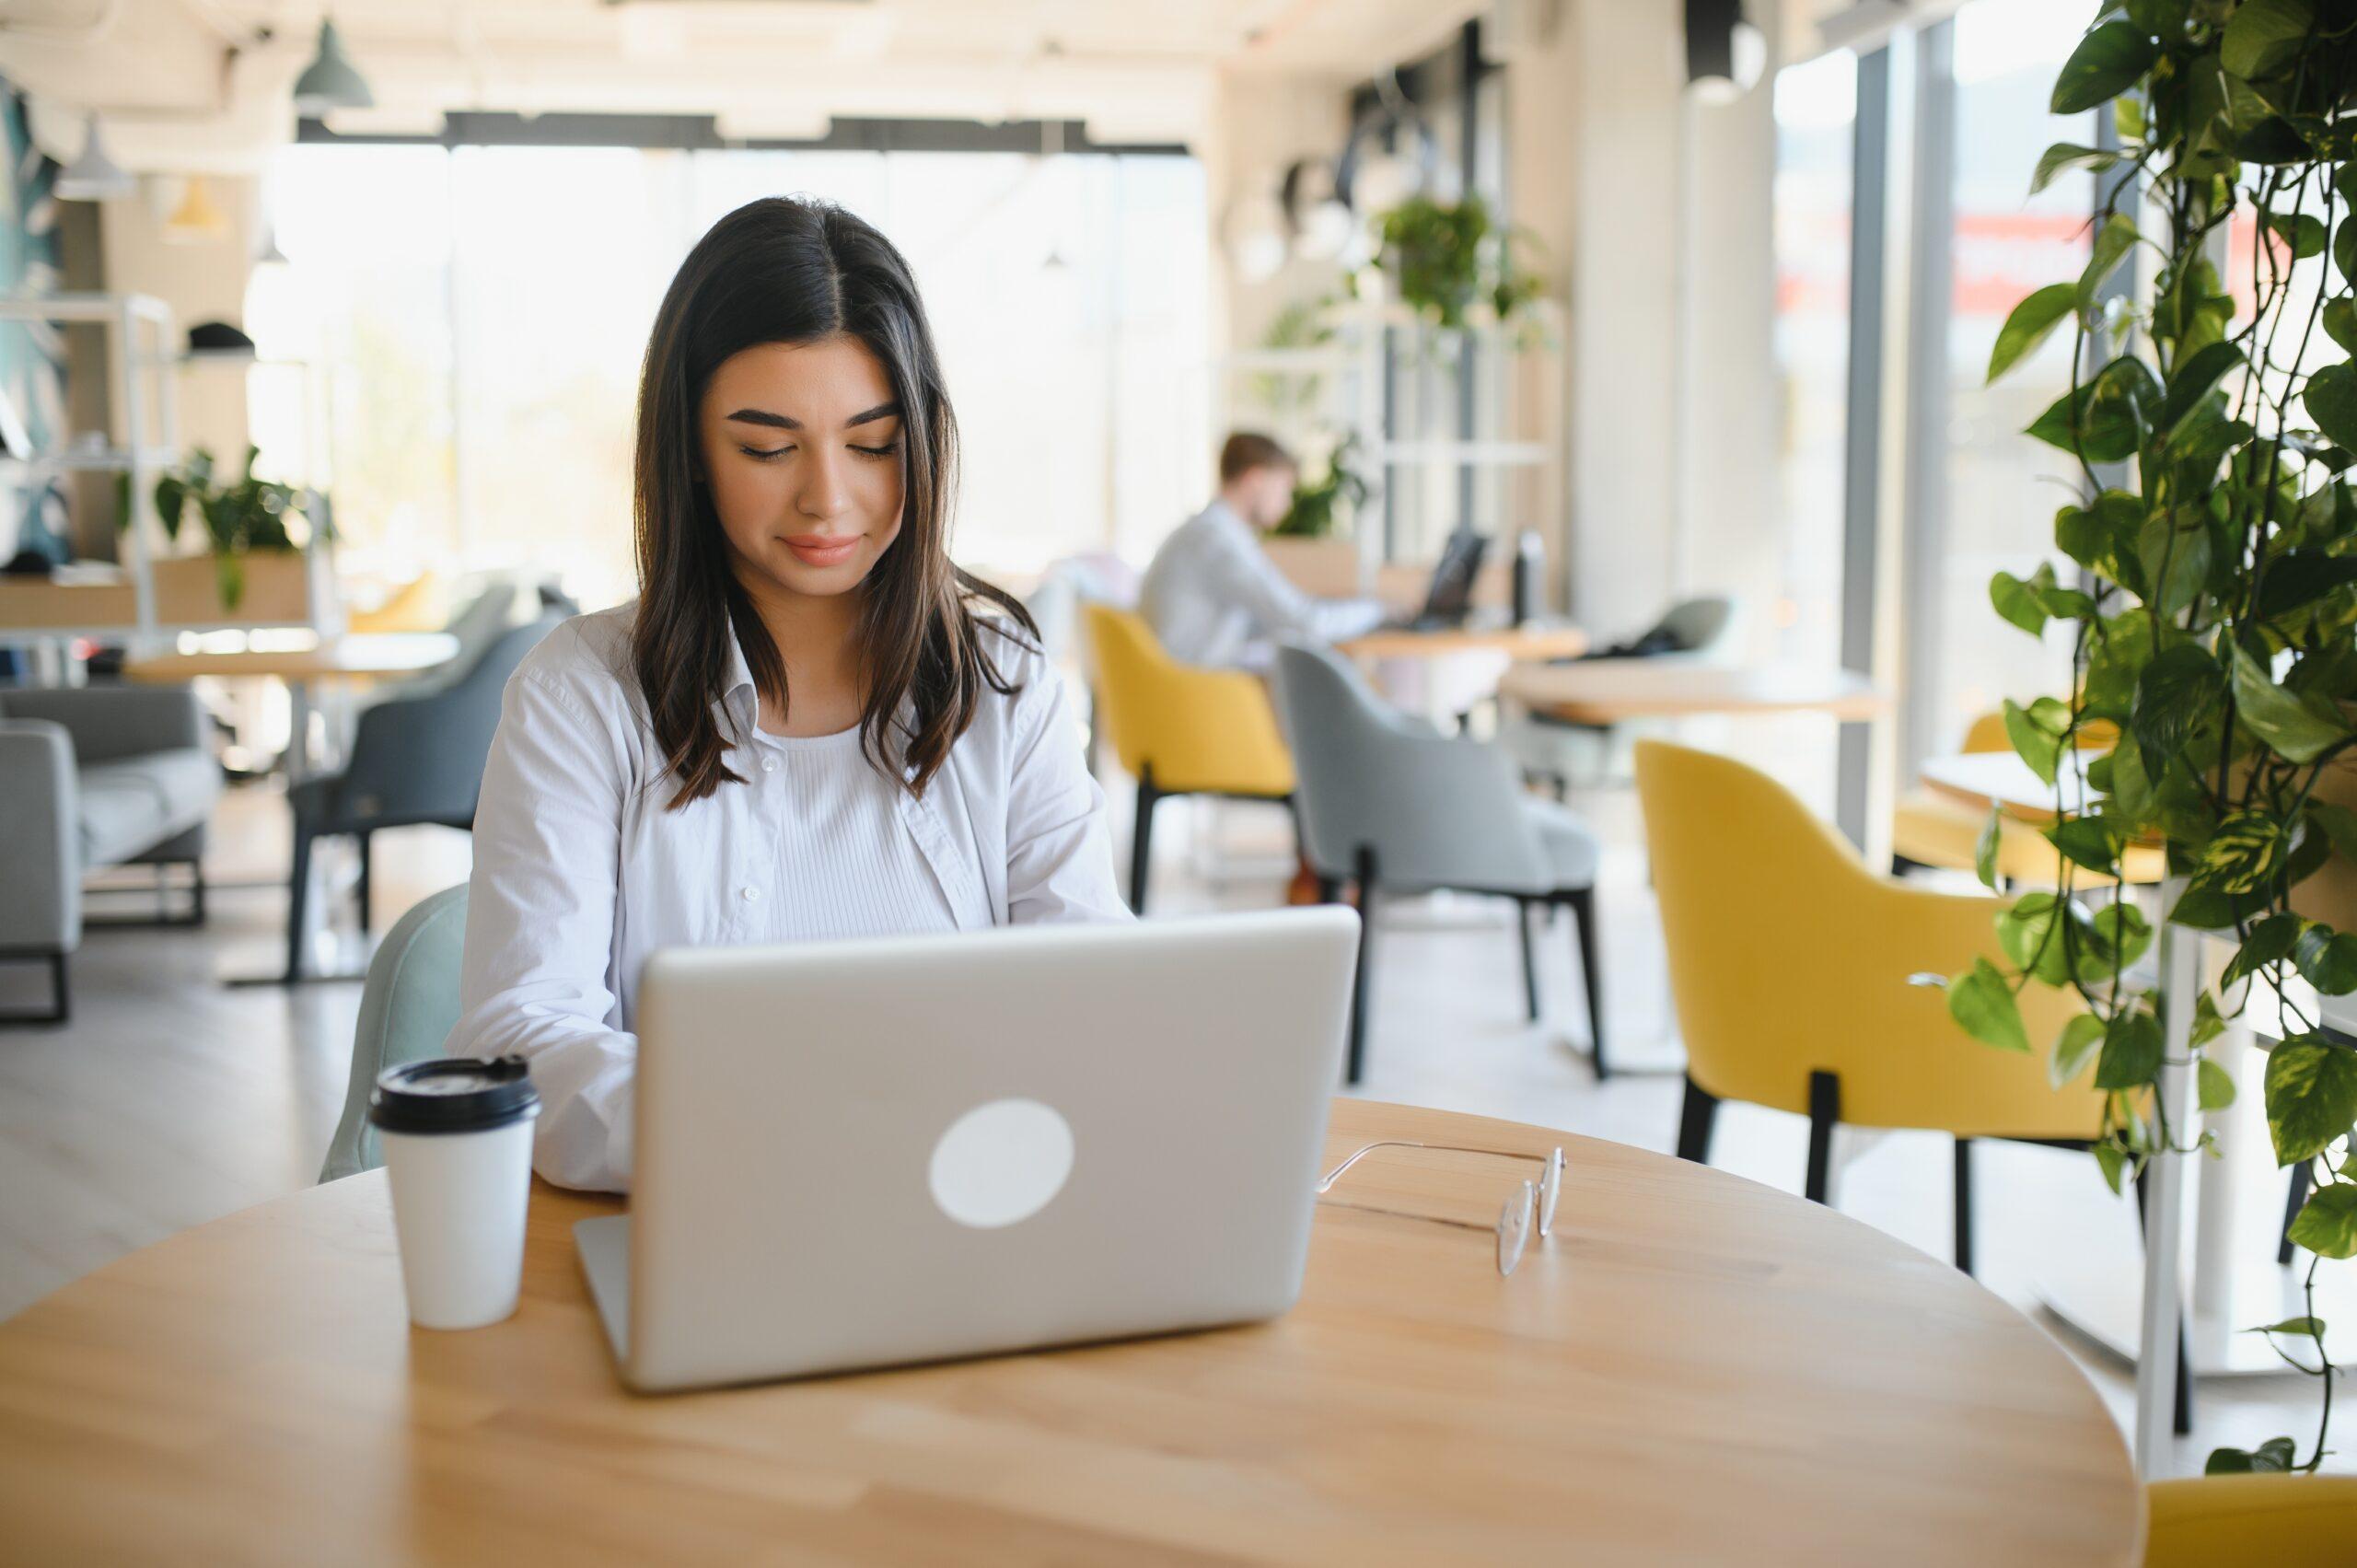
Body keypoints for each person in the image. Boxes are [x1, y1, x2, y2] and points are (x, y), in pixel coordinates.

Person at [447, 197, 1130, 1192]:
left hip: (972, 1218)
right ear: (688, 452)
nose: (828, 499)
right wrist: (796, 1131)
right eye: (768, 448)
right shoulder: (577, 696)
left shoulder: (1005, 684)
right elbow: (518, 1038)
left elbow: (1095, 994)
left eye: (872, 443)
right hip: (708, 1219)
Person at [1139, 433, 1385, 670]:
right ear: (1254, 479)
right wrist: (1379, 610)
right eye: (1284, 488)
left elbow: (1267, 619)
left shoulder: (1208, 530)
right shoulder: (1219, 541)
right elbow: (1304, 622)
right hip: (1194, 692)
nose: (1287, 503)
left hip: (1180, 684)